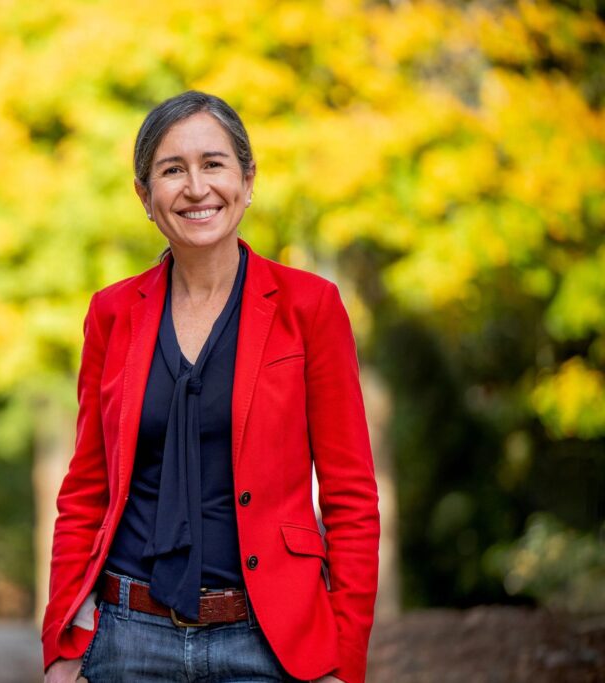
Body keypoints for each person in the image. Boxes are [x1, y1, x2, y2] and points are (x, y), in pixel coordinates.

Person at [42, 91, 380, 683]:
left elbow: (351, 498)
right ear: (146, 198)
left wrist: (343, 661)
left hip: (269, 644)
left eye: (214, 164)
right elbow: (84, 491)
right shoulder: (112, 313)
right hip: (129, 641)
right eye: (172, 170)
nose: (196, 188)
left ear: (247, 181)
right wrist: (63, 648)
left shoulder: (311, 307)